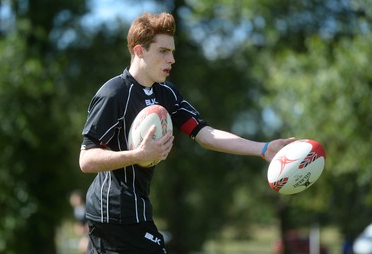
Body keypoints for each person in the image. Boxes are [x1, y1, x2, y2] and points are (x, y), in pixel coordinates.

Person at [79, 12, 295, 254]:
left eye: (172, 51)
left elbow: (205, 134)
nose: (172, 59)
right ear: (140, 51)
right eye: (163, 51)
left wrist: (263, 149)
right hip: (113, 211)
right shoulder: (114, 94)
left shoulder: (167, 94)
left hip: (135, 209)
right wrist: (137, 155)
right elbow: (86, 160)